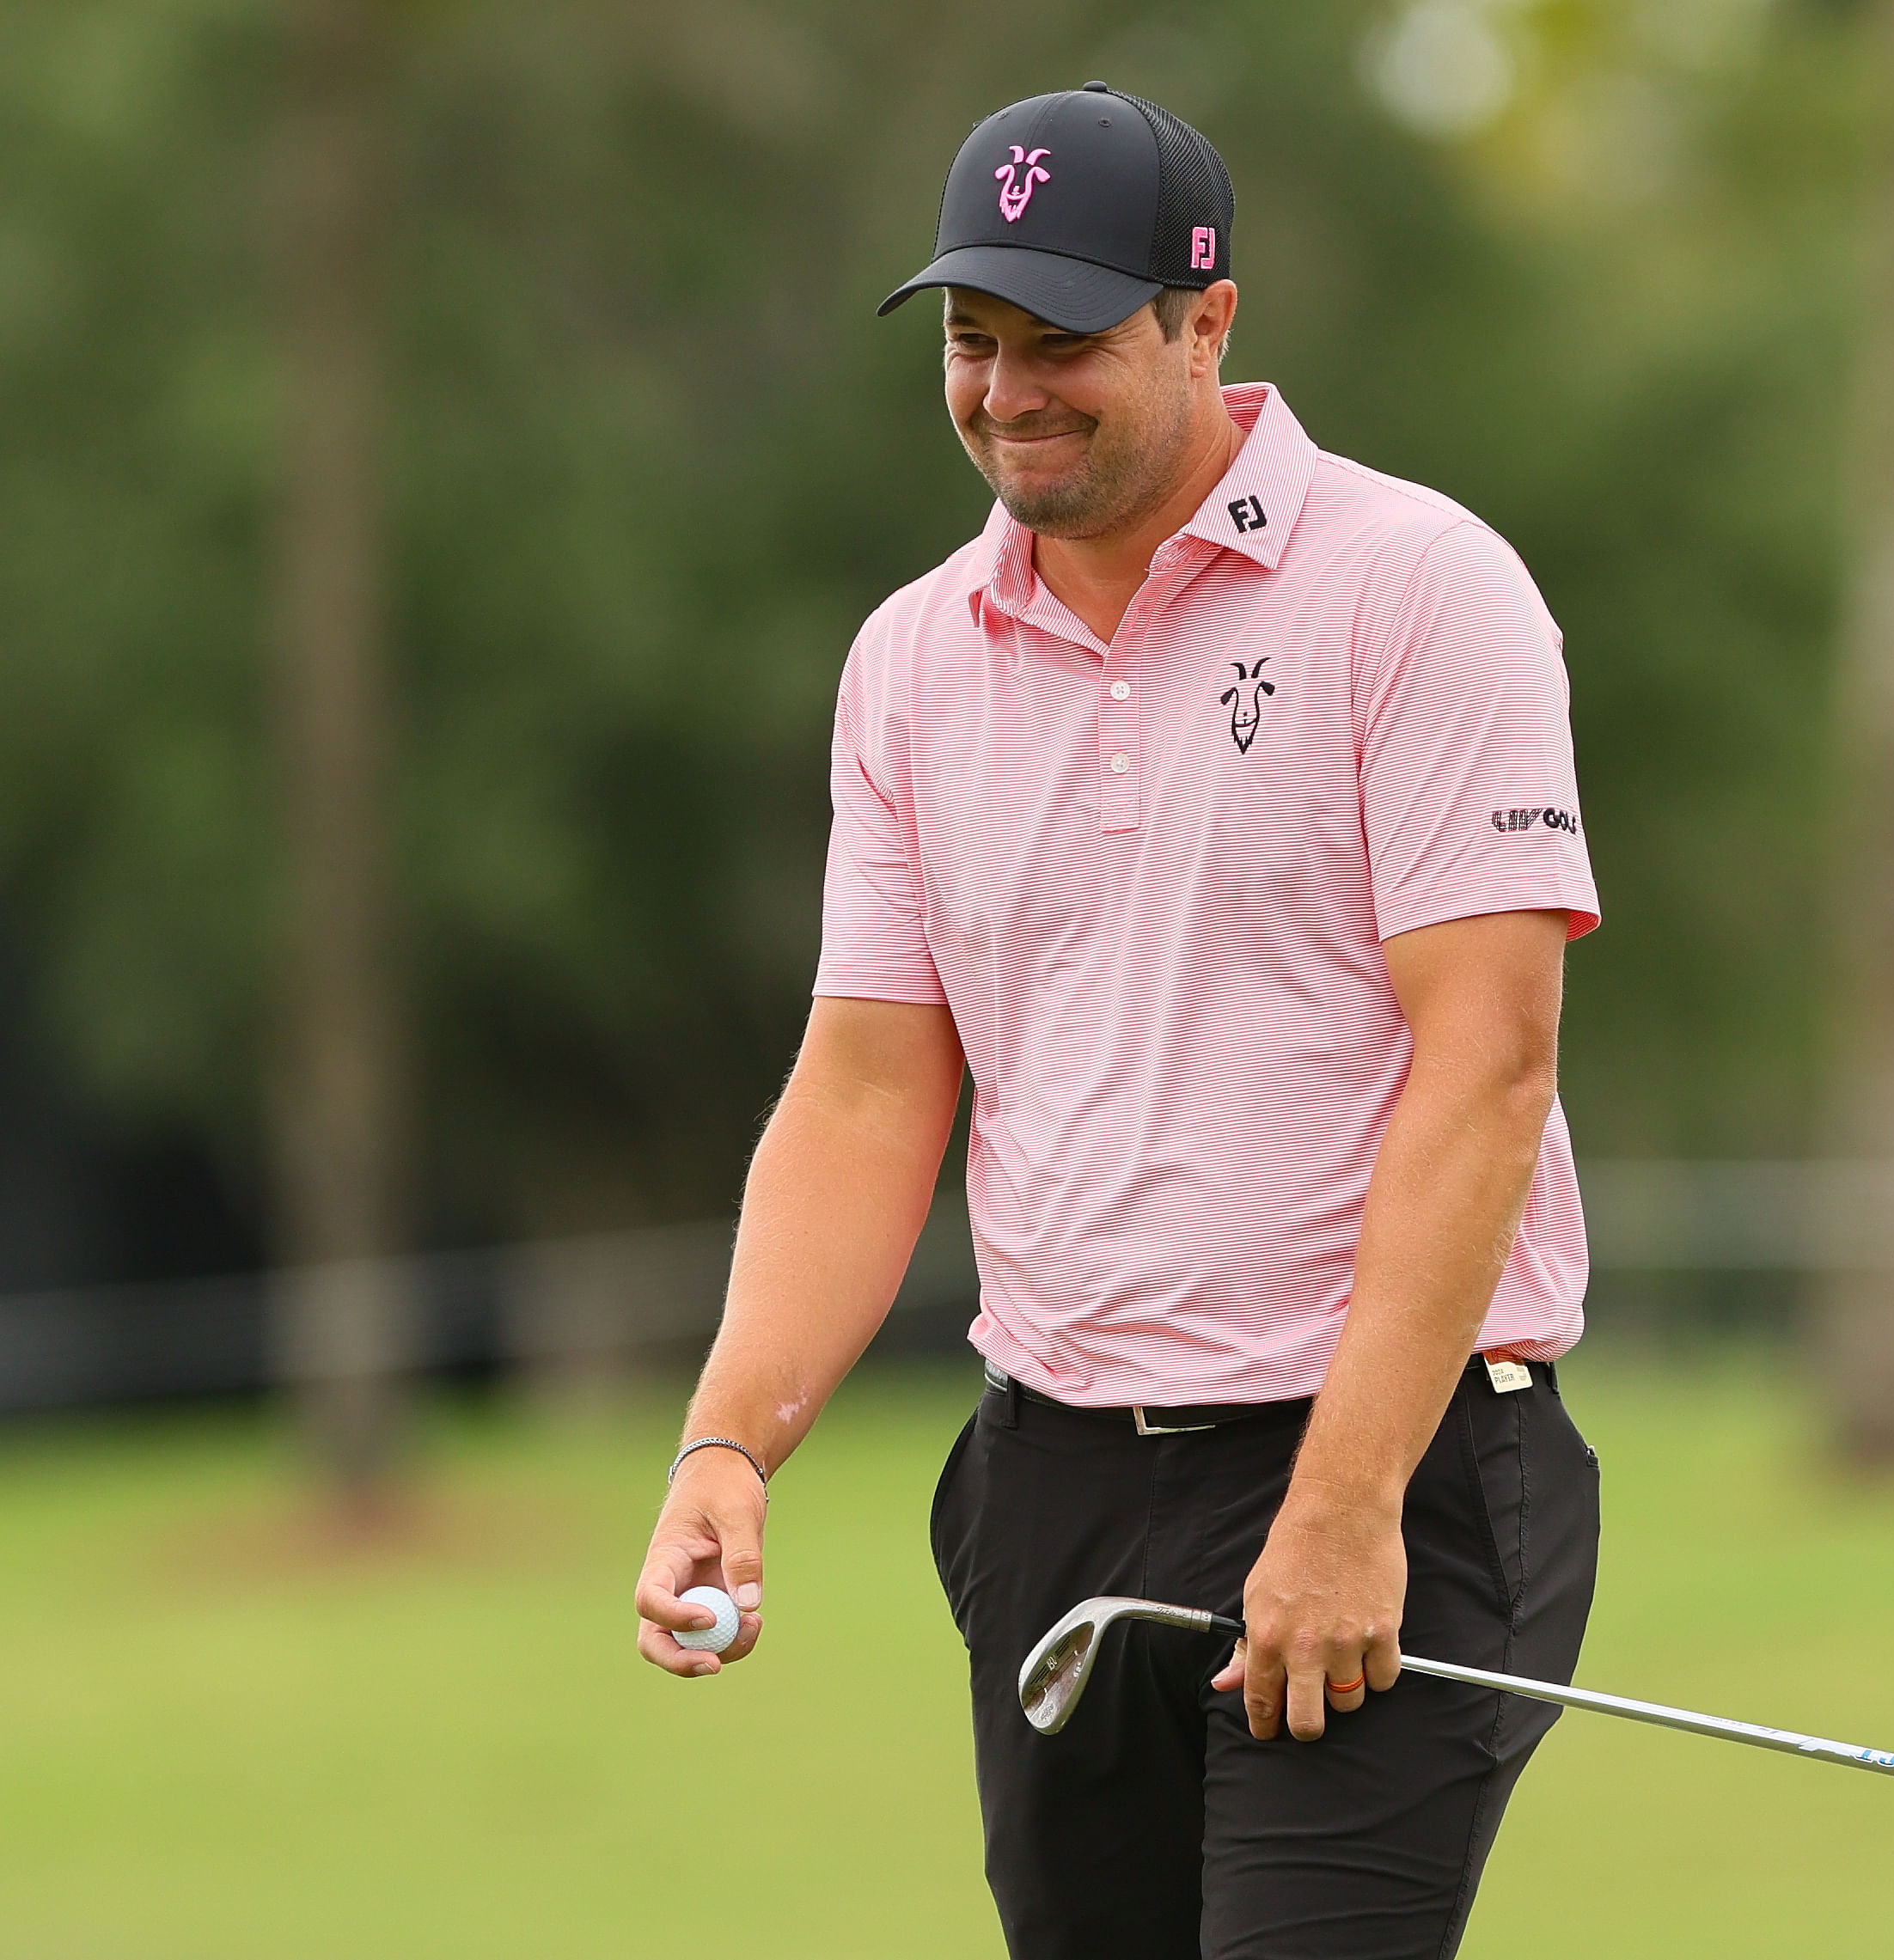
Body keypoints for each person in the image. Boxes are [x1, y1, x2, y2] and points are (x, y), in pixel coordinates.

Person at [630, 82, 1604, 1959]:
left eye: (1062, 341)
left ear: (1208, 321)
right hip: (1054, 1479)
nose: (1008, 392)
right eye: (974, 344)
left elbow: (1485, 1069)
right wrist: (726, 1445)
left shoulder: (1417, 590)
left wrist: (1342, 1503)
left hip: (1388, 1452)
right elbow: (861, 1096)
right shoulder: (912, 661)